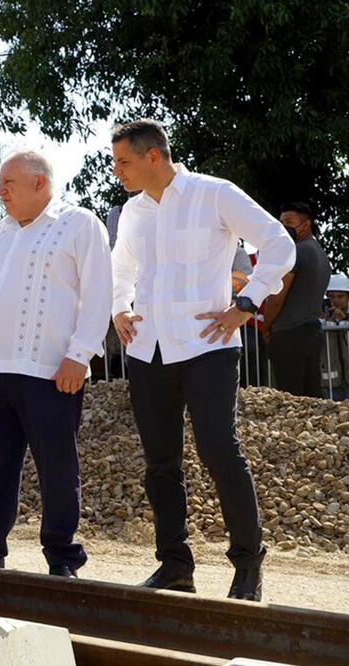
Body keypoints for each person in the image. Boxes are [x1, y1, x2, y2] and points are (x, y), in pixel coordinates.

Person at [111, 119, 295, 601]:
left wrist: (247, 304)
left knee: (220, 451)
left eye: (124, 162)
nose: (117, 171)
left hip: (208, 346)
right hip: (148, 350)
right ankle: (175, 566)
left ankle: (248, 565)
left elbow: (279, 244)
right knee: (160, 464)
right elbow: (121, 268)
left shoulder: (215, 193)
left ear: (154, 156)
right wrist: (119, 308)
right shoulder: (132, 212)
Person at [0, 151, 112, 577]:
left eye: (8, 182)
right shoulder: (3, 231)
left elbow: (100, 294)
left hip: (51, 370)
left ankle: (62, 554)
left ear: (39, 183)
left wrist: (79, 356)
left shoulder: (80, 224)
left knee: (57, 467)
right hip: (0, 369)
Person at [261, 202, 331, 398]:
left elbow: (276, 298)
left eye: (289, 222)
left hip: (289, 335)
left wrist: (266, 328)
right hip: (312, 332)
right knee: (312, 399)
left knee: (290, 401)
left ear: (306, 224)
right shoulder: (322, 255)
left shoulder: (296, 252)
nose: (283, 226)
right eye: (281, 222)